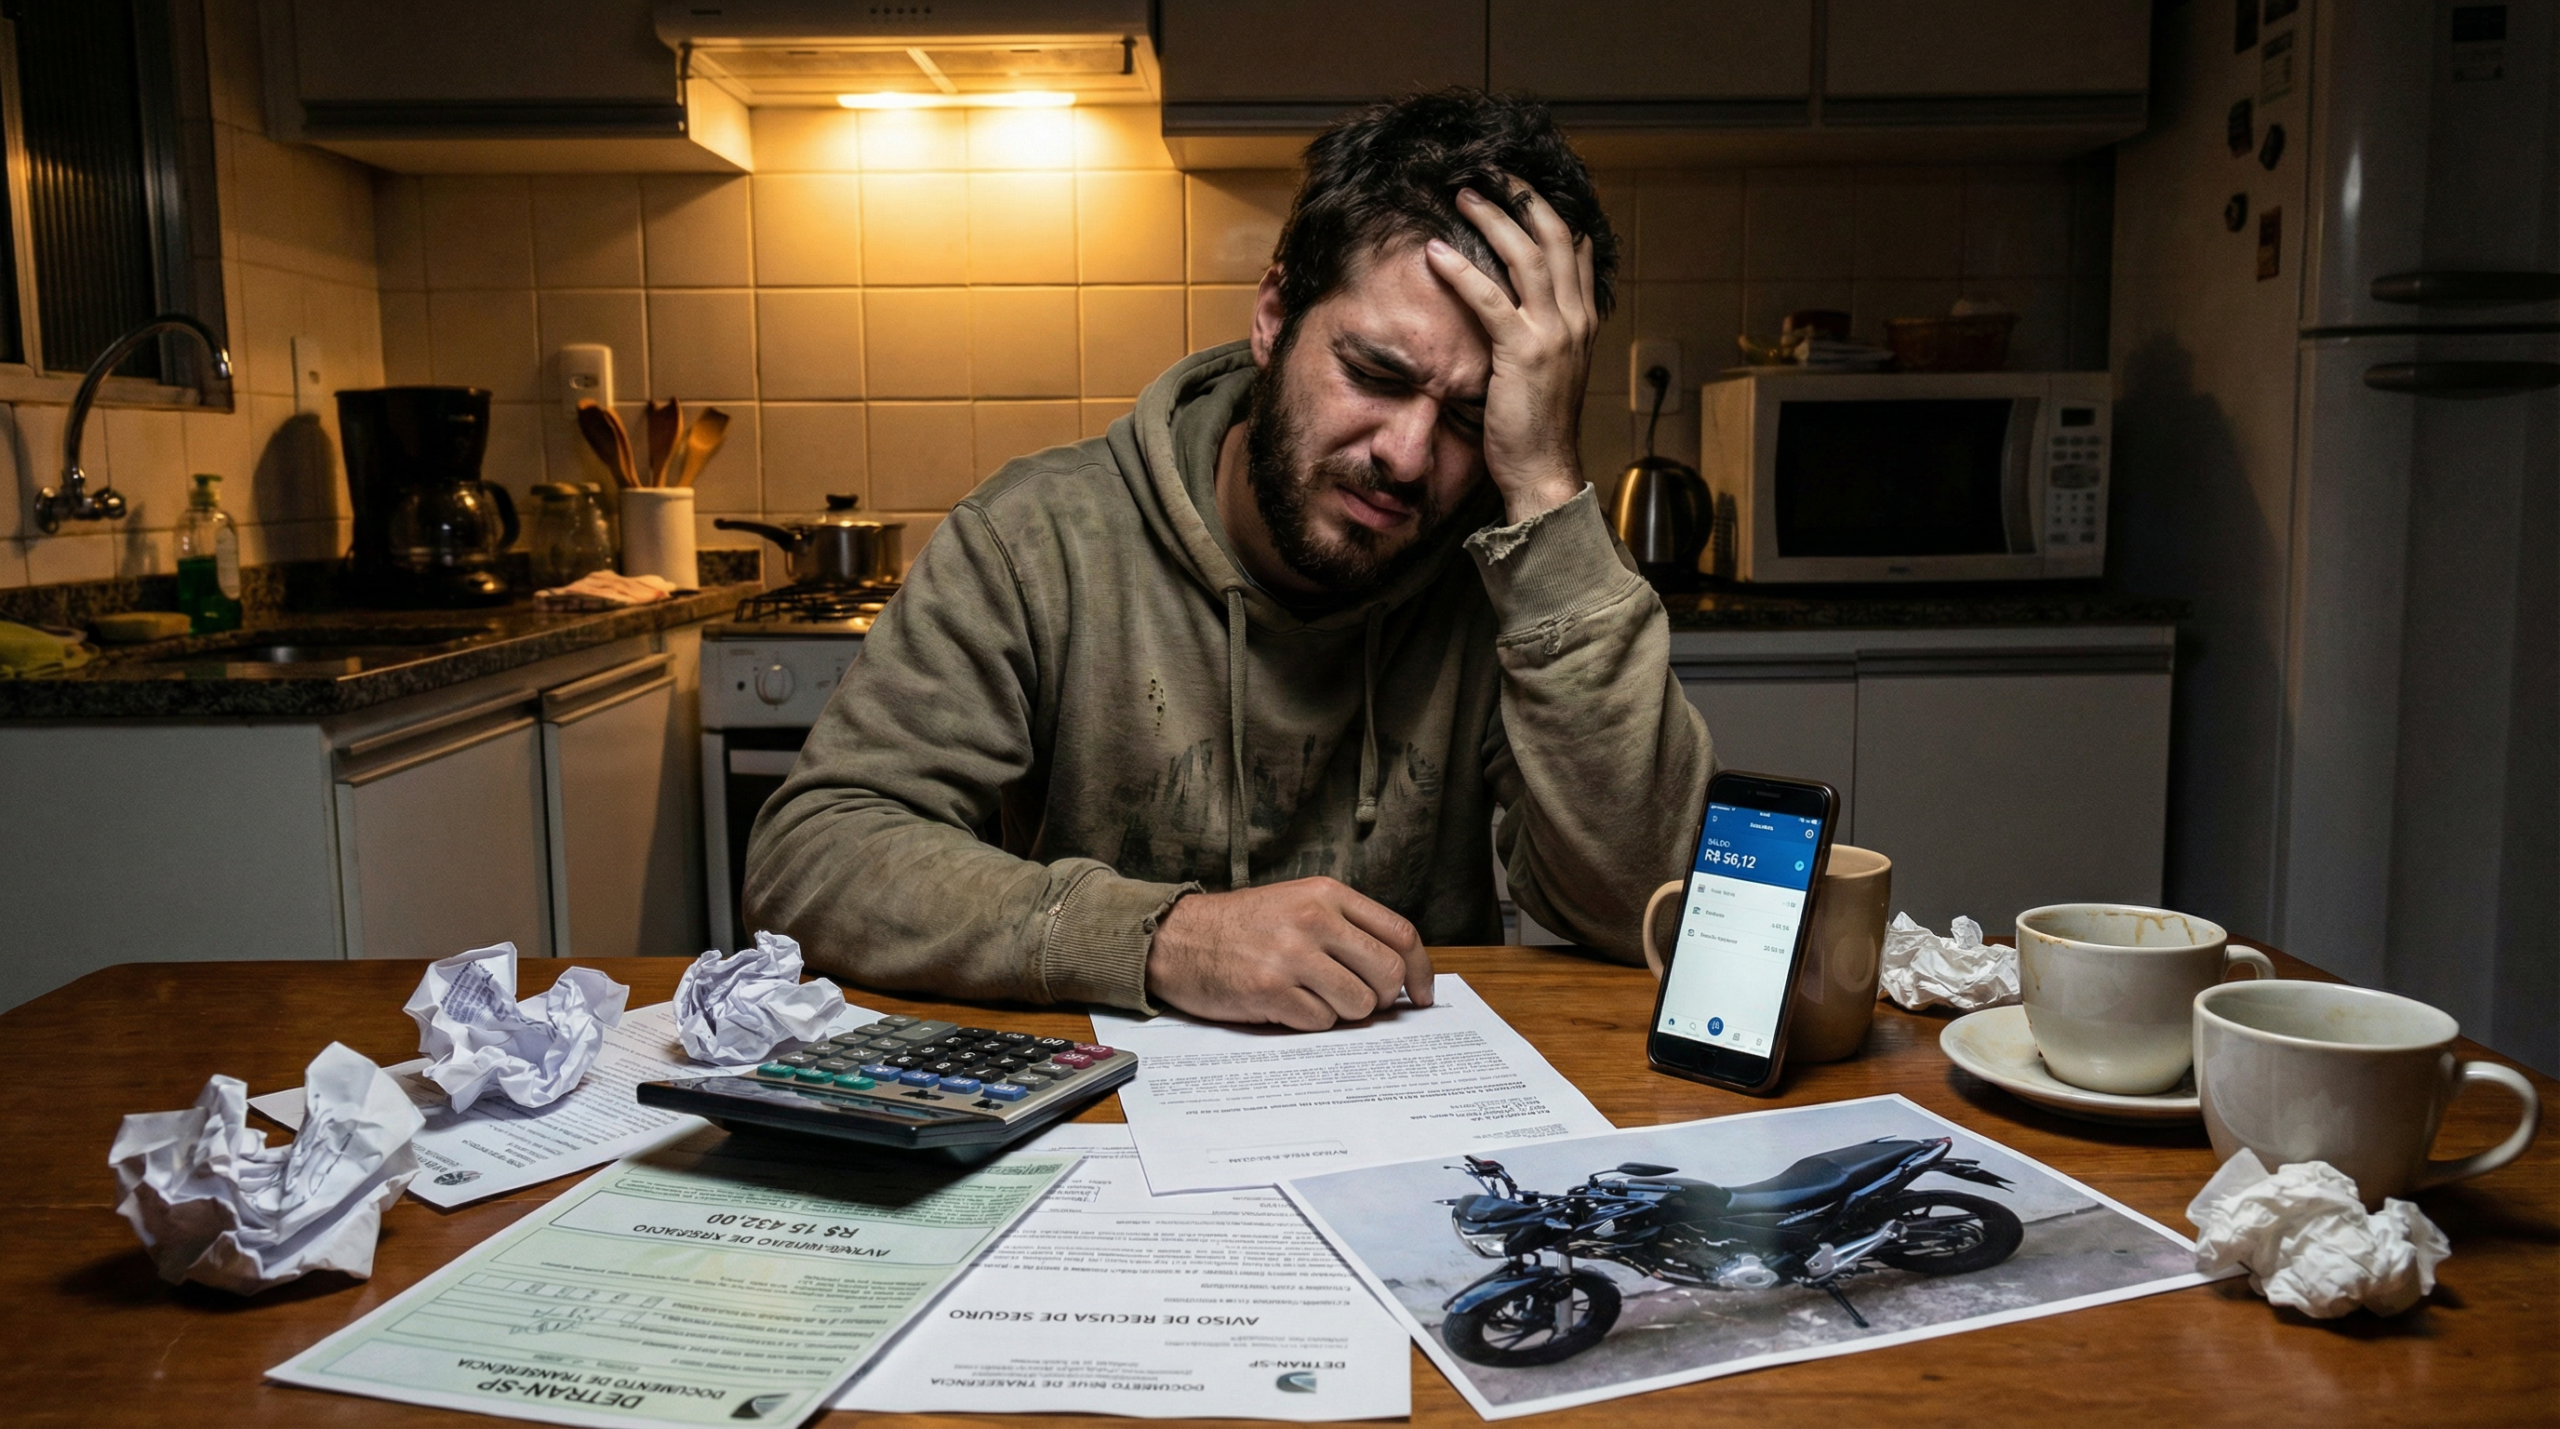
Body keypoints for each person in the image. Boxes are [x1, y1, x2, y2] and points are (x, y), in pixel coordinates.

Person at [747, 89, 1714, 1030]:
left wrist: (1544, 484)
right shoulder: (1039, 536)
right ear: (1274, 316)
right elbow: (813, 859)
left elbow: (1649, 905)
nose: (1409, 456)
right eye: (1374, 373)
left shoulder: (1516, 565)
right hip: (1101, 1120)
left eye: (1470, 414)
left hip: (1418, 1118)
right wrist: (1165, 937)